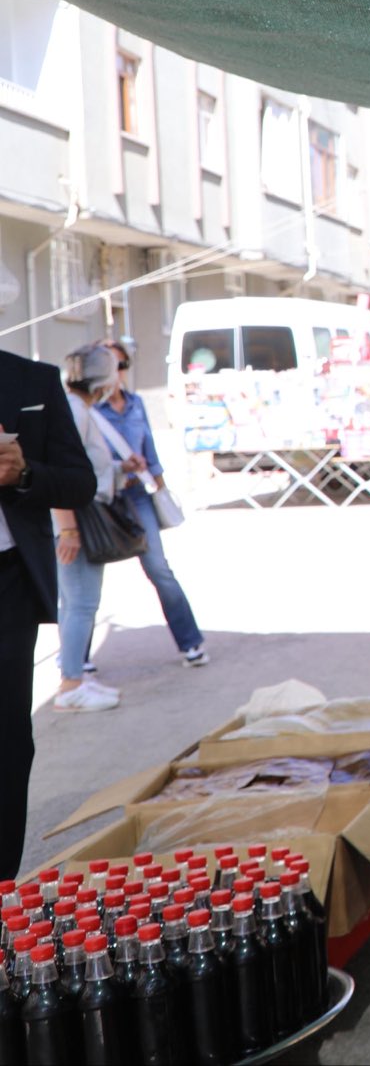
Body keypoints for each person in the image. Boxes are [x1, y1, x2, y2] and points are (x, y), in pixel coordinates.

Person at [0, 341, 95, 877]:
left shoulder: (32, 380)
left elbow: (80, 482)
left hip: (8, 583)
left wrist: (25, 474)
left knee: (8, 741)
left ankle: (2, 888)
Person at [95, 340, 207, 667]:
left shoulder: (136, 403)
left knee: (159, 569)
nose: (116, 372)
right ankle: (77, 661)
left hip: (137, 494)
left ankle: (190, 643)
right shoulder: (88, 410)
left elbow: (149, 448)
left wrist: (161, 488)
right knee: (88, 582)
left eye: (121, 365)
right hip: (101, 499)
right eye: (108, 365)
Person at [50, 346, 124, 712]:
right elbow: (60, 472)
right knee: (82, 603)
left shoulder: (75, 409)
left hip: (75, 519)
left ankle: (74, 674)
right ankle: (71, 685)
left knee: (73, 603)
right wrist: (68, 529)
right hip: (78, 520)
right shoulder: (76, 412)